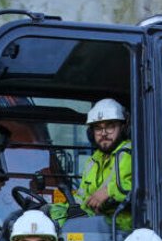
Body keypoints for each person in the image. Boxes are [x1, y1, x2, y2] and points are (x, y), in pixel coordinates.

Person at [50, 98, 134, 230]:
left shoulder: (129, 152)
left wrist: (109, 191)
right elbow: (82, 197)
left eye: (110, 126)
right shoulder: (93, 161)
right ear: (91, 133)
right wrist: (55, 209)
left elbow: (141, 188)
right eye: (98, 128)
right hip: (96, 225)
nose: (104, 133)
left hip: (122, 228)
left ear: (123, 128)